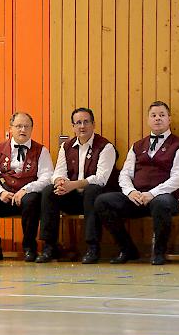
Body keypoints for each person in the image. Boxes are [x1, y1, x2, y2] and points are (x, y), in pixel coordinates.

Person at [95, 101, 179, 265]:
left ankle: (159, 253)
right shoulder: (137, 146)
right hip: (137, 197)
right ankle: (127, 249)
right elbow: (125, 173)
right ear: (148, 120)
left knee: (161, 203)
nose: (158, 119)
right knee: (102, 202)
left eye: (162, 115)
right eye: (153, 115)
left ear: (169, 119)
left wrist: (152, 194)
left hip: (165, 198)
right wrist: (130, 192)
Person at [36, 107, 118, 264]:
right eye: (78, 123)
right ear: (73, 126)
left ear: (93, 124)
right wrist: (60, 181)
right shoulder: (66, 147)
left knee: (92, 190)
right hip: (74, 198)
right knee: (49, 191)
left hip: (96, 199)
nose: (82, 126)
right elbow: (58, 172)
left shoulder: (105, 147)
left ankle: (92, 247)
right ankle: (49, 247)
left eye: (86, 122)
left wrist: (73, 184)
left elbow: (101, 178)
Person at [0, 112, 54, 262]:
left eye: (26, 126)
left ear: (32, 129)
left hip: (28, 198)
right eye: (18, 126)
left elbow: (47, 177)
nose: (22, 130)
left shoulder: (41, 151)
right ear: (11, 128)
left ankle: (29, 248)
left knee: (31, 200)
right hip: (5, 197)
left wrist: (27, 190)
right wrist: (0, 193)